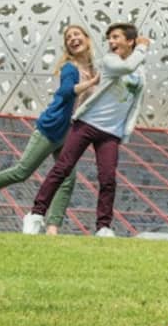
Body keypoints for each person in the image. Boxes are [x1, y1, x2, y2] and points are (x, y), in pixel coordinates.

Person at [0, 24, 98, 232]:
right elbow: (66, 92)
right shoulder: (70, 68)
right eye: (68, 37)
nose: (73, 39)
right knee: (22, 172)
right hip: (51, 128)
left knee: (68, 179)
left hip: (70, 132)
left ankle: (52, 229)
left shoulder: (93, 71)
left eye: (77, 34)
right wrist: (91, 83)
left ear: (87, 38)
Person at [22, 22, 150, 238]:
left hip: (111, 132)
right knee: (62, 168)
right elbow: (126, 68)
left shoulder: (141, 70)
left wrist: (126, 129)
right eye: (109, 38)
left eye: (116, 37)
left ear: (130, 41)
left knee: (108, 179)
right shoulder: (110, 61)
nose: (111, 41)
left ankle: (103, 227)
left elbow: (136, 101)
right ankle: (36, 214)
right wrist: (142, 47)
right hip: (88, 124)